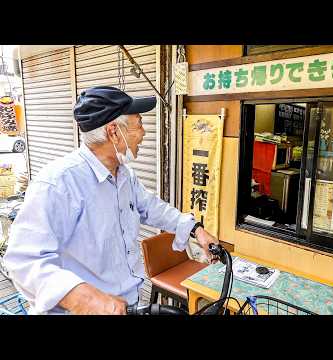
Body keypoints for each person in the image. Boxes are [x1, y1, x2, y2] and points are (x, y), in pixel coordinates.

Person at [4, 86, 218, 315]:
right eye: (139, 123)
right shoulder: (59, 183)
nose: (144, 132)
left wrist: (196, 229)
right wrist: (84, 299)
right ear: (114, 132)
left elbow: (153, 207)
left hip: (128, 305)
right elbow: (23, 260)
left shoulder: (124, 174)